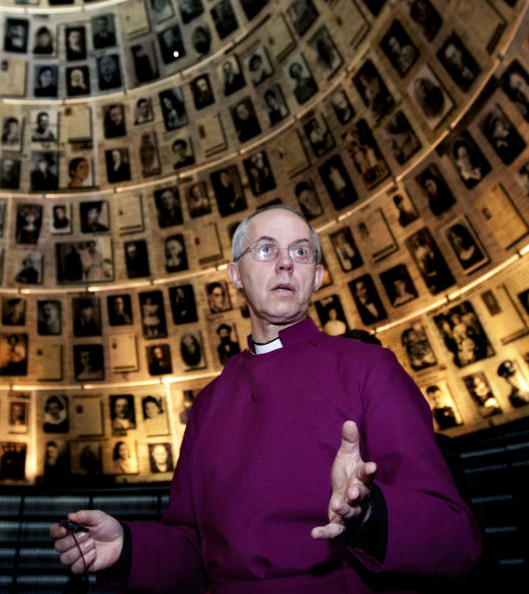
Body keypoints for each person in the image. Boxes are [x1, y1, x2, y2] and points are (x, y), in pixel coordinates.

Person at [52, 204, 481, 591]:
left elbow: (455, 537)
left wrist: (367, 514)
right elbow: (192, 549)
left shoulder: (370, 368)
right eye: (265, 250)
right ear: (235, 275)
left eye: (300, 253)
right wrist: (126, 549)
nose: (283, 264)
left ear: (316, 276)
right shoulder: (207, 405)